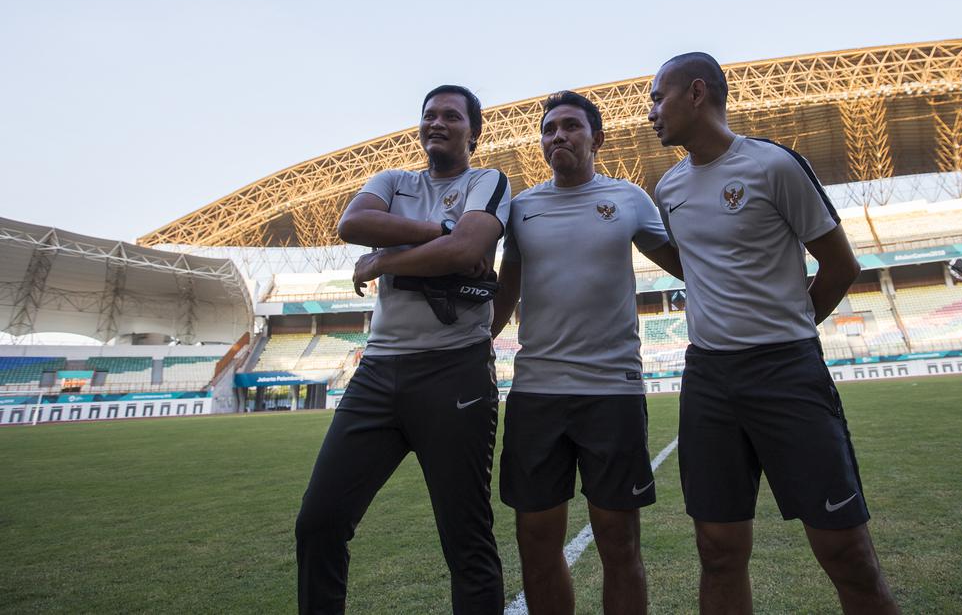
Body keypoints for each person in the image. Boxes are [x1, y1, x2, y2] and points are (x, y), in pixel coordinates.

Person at [647, 53, 898, 614]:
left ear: (695, 94)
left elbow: (840, 266)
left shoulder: (773, 165)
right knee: (716, 550)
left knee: (845, 550)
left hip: (786, 373)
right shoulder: (670, 187)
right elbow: (703, 267)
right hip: (709, 379)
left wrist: (789, 330)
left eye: (658, 98)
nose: (650, 114)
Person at [295, 84, 509, 614]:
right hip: (379, 372)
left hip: (454, 370)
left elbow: (468, 248)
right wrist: (438, 231)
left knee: (466, 539)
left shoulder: (488, 181)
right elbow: (353, 224)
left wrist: (385, 259)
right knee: (319, 521)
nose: (437, 122)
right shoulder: (392, 180)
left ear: (473, 132)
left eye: (452, 116)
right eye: (429, 115)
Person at [491, 90, 683, 614]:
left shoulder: (628, 199)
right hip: (536, 393)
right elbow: (506, 292)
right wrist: (473, 344)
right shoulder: (522, 208)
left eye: (571, 126)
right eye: (550, 129)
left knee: (619, 542)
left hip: (611, 392)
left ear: (596, 138)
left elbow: (687, 266)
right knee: (535, 541)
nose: (559, 136)